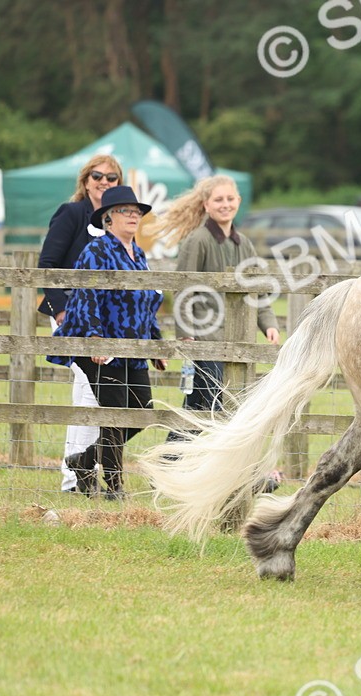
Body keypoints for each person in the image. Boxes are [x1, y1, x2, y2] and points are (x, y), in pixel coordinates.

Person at [149, 176, 283, 491]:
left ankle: (203, 472)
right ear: (207, 205)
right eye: (218, 200)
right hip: (204, 340)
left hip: (237, 342)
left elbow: (257, 289)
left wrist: (269, 323)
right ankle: (171, 466)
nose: (225, 205)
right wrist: (186, 333)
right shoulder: (198, 240)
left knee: (224, 404)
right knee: (204, 403)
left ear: (238, 202)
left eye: (230, 199)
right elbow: (183, 286)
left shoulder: (243, 244)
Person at [48, 186, 166, 499]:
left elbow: (147, 301)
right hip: (101, 346)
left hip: (135, 348)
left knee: (141, 411)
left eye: (136, 212)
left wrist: (156, 343)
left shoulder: (138, 254)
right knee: (114, 415)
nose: (133, 216)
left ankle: (82, 461)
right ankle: (115, 487)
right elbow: (86, 297)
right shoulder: (96, 251)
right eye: (125, 211)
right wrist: (94, 340)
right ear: (108, 219)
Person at [37, 155, 123, 492]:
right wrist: (61, 312)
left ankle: (81, 467)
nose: (104, 181)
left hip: (104, 322)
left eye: (111, 177)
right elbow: (48, 264)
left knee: (96, 394)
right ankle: (73, 476)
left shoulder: (117, 220)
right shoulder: (71, 214)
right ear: (85, 180)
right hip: (72, 316)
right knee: (88, 391)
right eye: (97, 175)